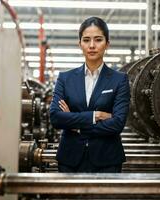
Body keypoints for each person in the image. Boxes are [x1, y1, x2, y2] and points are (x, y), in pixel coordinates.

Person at [49, 16, 130, 173]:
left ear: (107, 44)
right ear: (79, 44)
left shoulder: (119, 80)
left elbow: (117, 124)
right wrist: (95, 116)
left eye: (98, 40)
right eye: (86, 40)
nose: (92, 45)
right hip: (70, 159)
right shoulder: (65, 78)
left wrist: (76, 125)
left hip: (107, 161)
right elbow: (56, 117)